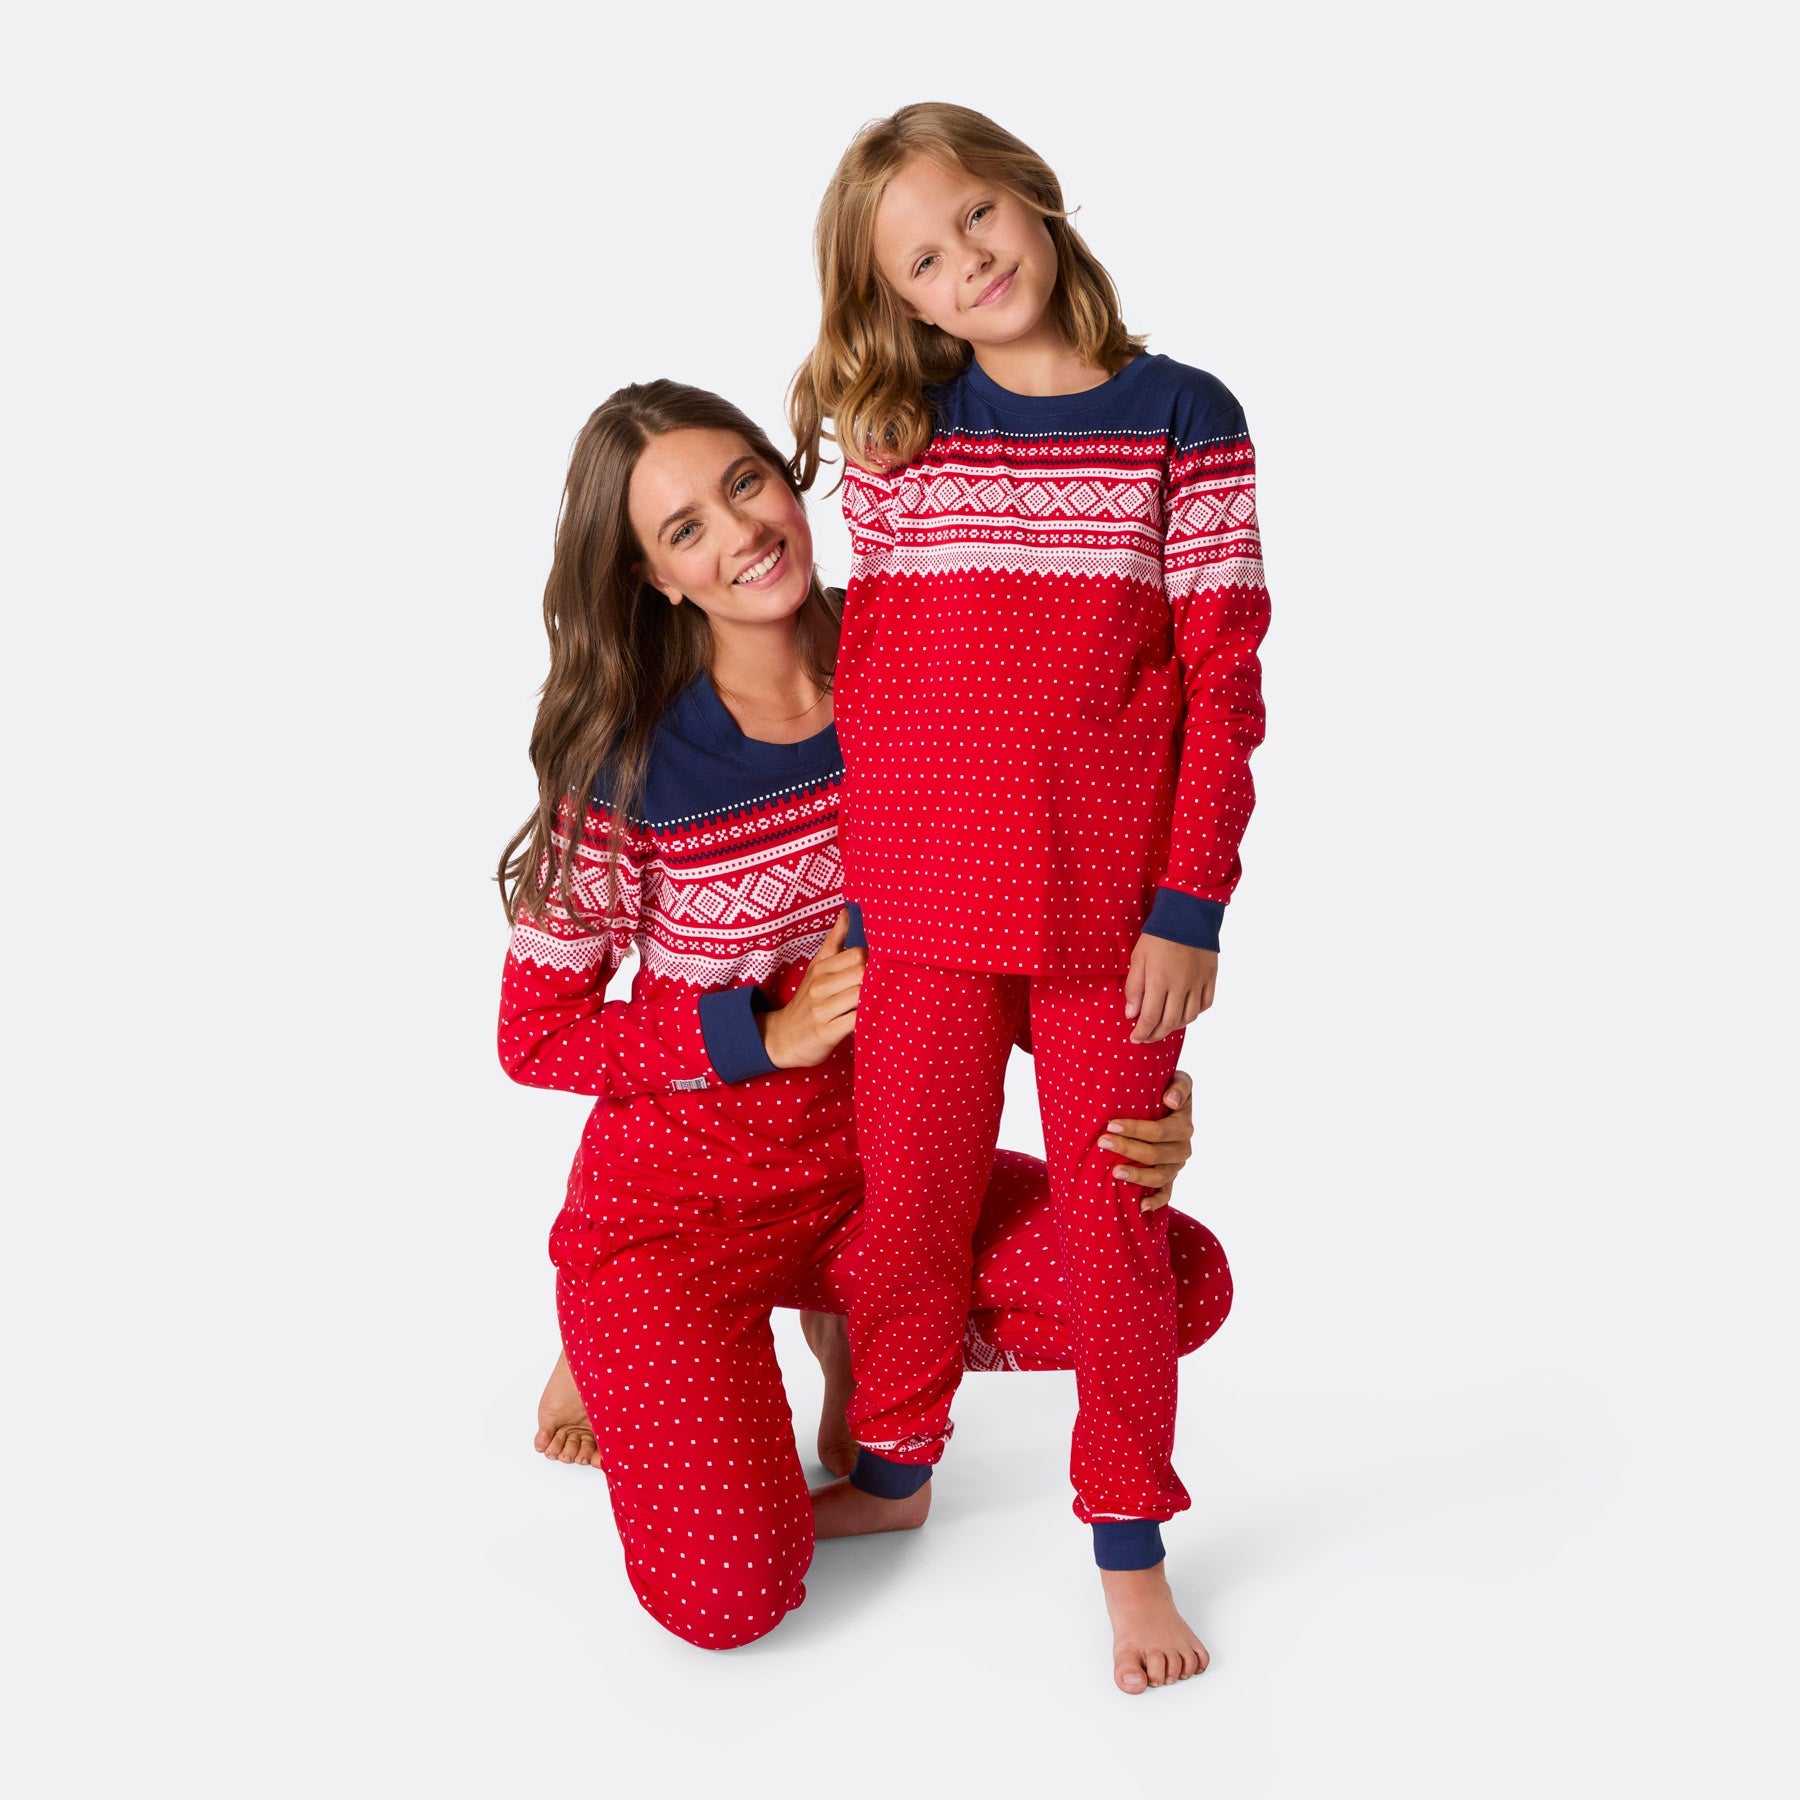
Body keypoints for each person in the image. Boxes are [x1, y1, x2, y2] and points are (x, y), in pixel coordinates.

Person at [496, 379, 1234, 1654]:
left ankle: (845, 1325)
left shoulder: (922, 659)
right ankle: (615, 1328)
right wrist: (758, 1033)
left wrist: (1135, 1087)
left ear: (787, 478)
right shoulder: (626, 761)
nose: (741, 534)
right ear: (655, 580)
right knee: (729, 1601)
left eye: (745, 484)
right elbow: (536, 1035)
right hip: (684, 1212)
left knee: (1175, 1278)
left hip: (891, 1179)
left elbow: (1010, 910)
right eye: (685, 530)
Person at [788, 102, 1270, 1691]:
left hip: (1107, 932)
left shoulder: (1183, 415)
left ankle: (1130, 1543)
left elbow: (1222, 683)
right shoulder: (901, 436)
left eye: (975, 218)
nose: (966, 264)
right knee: (909, 1204)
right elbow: (867, 674)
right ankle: (897, 1462)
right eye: (922, 262)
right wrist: (857, 901)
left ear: (1034, 198)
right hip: (918, 913)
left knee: (1114, 1224)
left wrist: (1189, 906)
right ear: (899, 301)